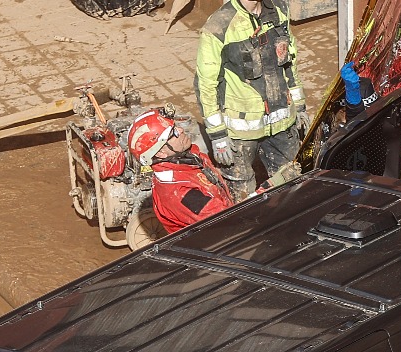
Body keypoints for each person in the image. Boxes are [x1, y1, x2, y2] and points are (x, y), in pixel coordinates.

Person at [195, 0, 308, 202]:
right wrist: (218, 136)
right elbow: (206, 84)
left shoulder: (279, 9)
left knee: (292, 187)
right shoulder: (220, 25)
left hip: (282, 123)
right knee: (243, 199)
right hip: (240, 133)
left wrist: (299, 106)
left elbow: (290, 64)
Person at [128, 108, 235, 234]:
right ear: (161, 153)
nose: (181, 130)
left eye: (175, 126)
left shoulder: (184, 159)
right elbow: (228, 221)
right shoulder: (181, 193)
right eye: (173, 133)